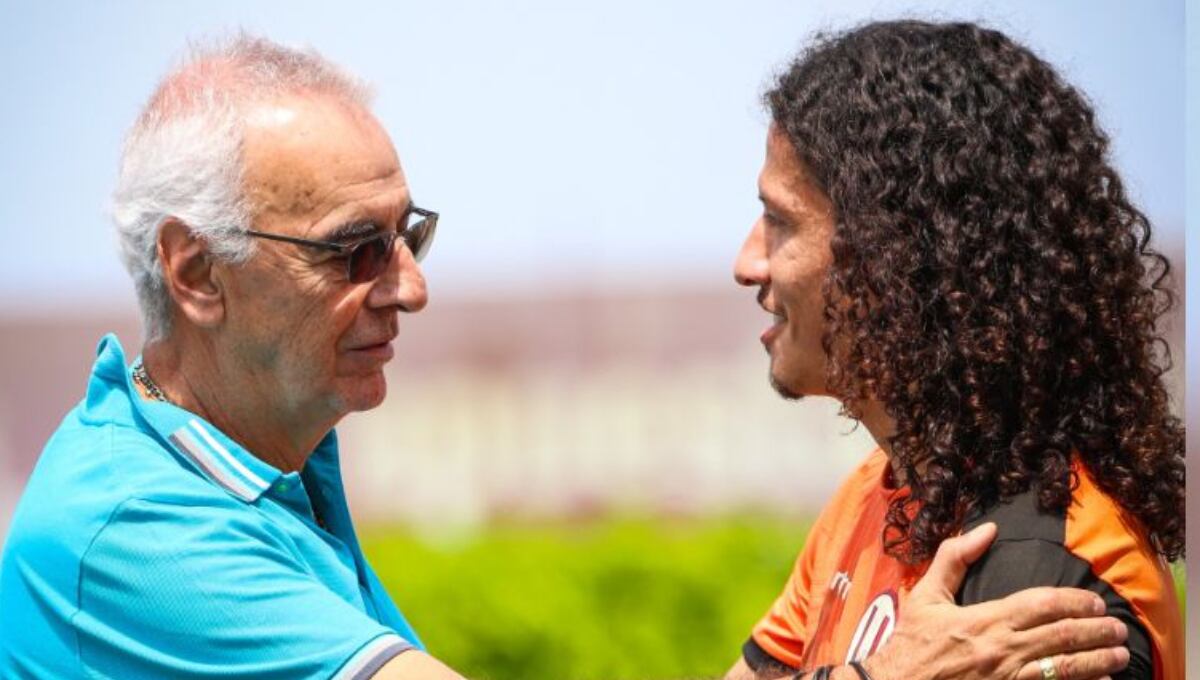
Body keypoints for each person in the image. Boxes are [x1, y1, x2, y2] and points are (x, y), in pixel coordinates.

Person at [0, 32, 1141, 680]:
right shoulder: (135, 534)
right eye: (356, 249)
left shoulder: (1048, 559)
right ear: (197, 273)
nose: (410, 283)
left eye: (410, 232)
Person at [728, 20, 1184, 680]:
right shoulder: (871, 497)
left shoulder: (1048, 584)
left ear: (897, 258)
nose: (748, 263)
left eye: (781, 221)